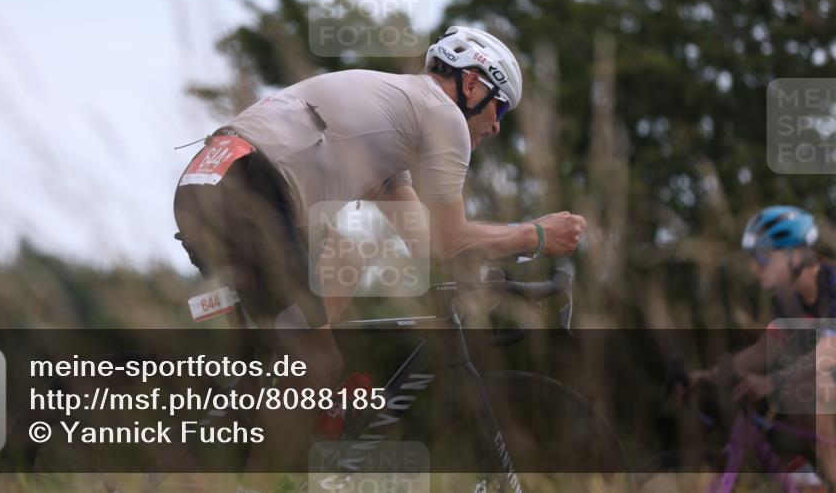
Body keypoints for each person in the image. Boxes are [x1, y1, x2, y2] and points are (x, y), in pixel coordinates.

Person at [173, 25, 587, 492]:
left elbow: (429, 244)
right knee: (316, 356)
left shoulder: (397, 131)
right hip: (248, 188)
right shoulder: (441, 115)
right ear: (472, 84)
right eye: (501, 107)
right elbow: (452, 239)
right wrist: (534, 236)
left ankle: (279, 390)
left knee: (348, 253)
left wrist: (490, 275)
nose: (496, 125)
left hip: (219, 177)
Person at [689, 205, 836, 485]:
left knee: (813, 385)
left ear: (794, 255)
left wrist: (773, 381)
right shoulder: (786, 300)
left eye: (763, 258)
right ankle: (811, 479)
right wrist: (707, 375)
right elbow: (762, 351)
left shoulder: (831, 283)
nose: (754, 266)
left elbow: (830, 351)